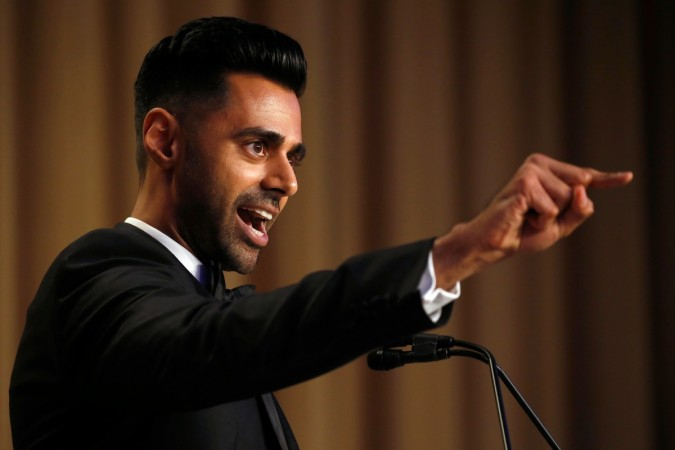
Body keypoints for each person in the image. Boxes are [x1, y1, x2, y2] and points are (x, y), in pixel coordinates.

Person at [9, 16, 633, 450]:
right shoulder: (94, 277)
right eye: (257, 146)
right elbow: (214, 345)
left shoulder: (204, 303)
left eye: (294, 156)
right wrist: (453, 254)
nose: (286, 181)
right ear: (165, 139)